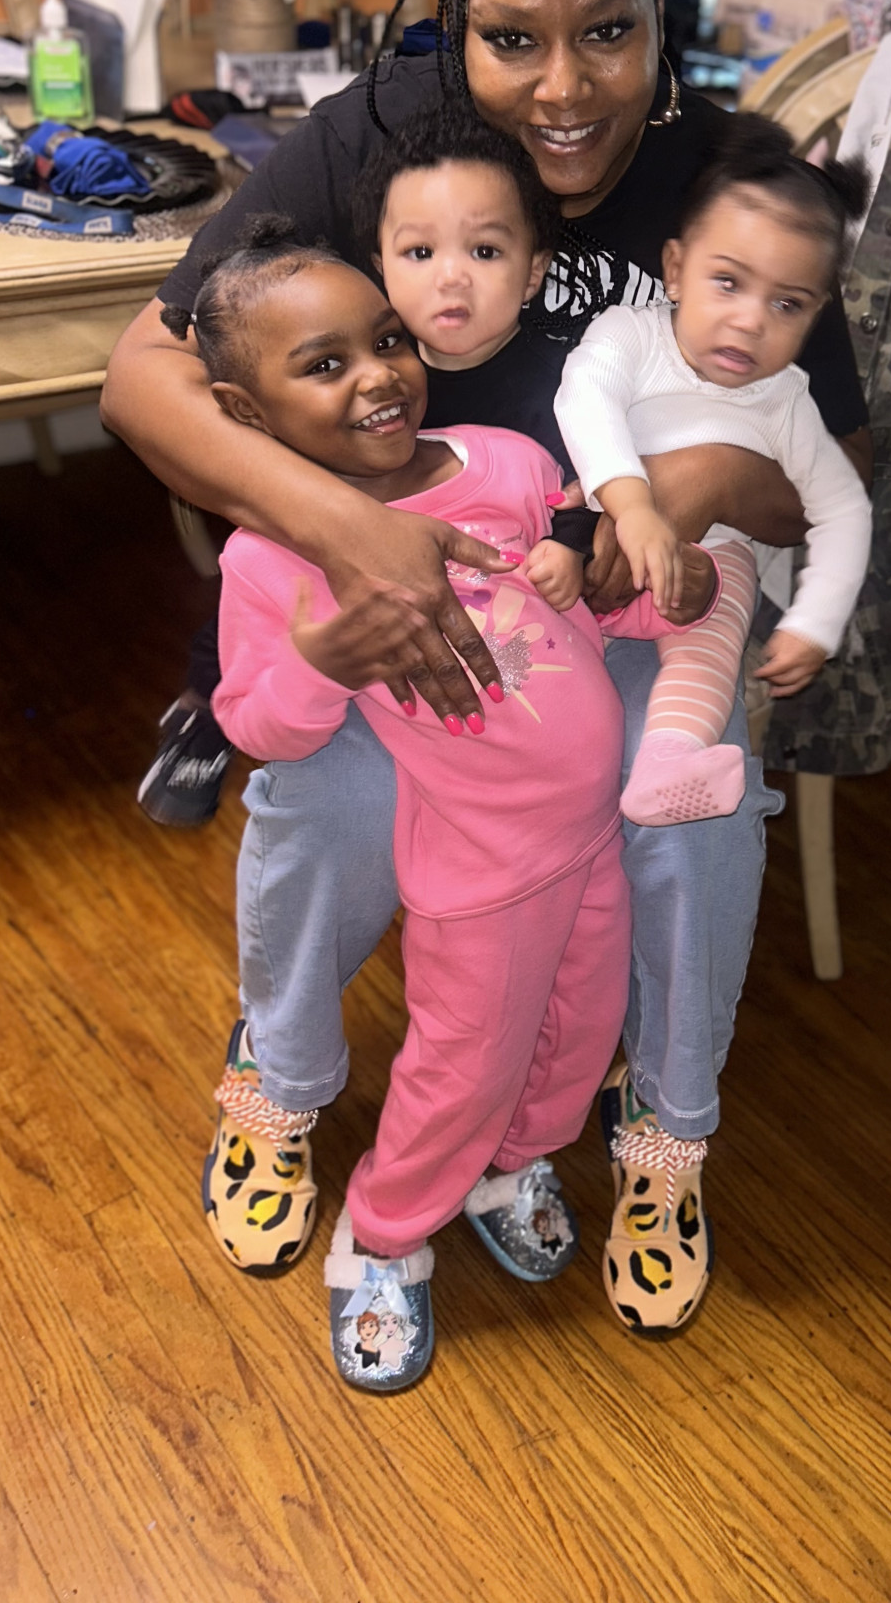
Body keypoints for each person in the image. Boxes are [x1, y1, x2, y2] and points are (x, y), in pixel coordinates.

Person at [101, 0, 872, 1337]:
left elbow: (832, 464)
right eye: (512, 40)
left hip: (621, 606)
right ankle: (282, 1073)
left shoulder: (723, 179)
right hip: (407, 596)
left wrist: (666, 500)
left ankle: (665, 1127)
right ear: (457, 29)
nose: (565, 90)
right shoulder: (378, 135)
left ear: (665, 12)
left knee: (684, 800)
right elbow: (142, 377)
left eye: (611, 33)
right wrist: (347, 533)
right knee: (328, 785)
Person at [177, 218, 721, 1388]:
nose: (378, 373)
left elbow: (580, 598)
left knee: (574, 1043)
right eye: (324, 364)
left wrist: (658, 587)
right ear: (244, 411)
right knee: (463, 1066)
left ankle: (510, 1165)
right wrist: (323, 661)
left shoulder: (507, 462)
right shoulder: (272, 560)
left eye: (386, 339)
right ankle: (383, 1234)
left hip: (590, 836)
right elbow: (257, 725)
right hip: (483, 871)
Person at [554, 114, 873, 827]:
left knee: (714, 632)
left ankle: (671, 762)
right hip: (594, 538)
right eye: (727, 282)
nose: (750, 321)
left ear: (816, 315)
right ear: (675, 270)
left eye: (786, 303)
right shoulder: (630, 335)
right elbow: (585, 397)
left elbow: (845, 509)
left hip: (701, 577)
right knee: (542, 602)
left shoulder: (786, 401)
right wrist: (633, 506)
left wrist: (814, 623)